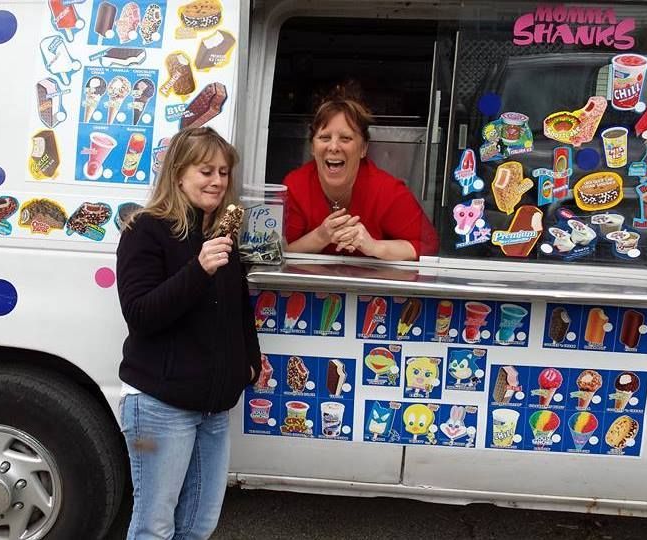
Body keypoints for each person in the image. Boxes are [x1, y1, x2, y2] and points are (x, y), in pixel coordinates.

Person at [115, 127, 261, 539]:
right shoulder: (144, 230)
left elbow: (235, 309)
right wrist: (198, 269)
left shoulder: (219, 234)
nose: (217, 180)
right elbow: (141, 315)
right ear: (178, 174)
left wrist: (250, 361)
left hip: (212, 409)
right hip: (159, 408)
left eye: (223, 171)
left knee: (198, 525)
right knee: (154, 526)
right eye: (205, 171)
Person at [283, 92, 439, 261]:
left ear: (364, 148)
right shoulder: (295, 185)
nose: (333, 147)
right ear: (313, 147)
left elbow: (428, 246)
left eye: (345, 138)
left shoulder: (386, 191)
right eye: (324, 137)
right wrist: (320, 237)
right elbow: (278, 252)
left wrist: (374, 246)